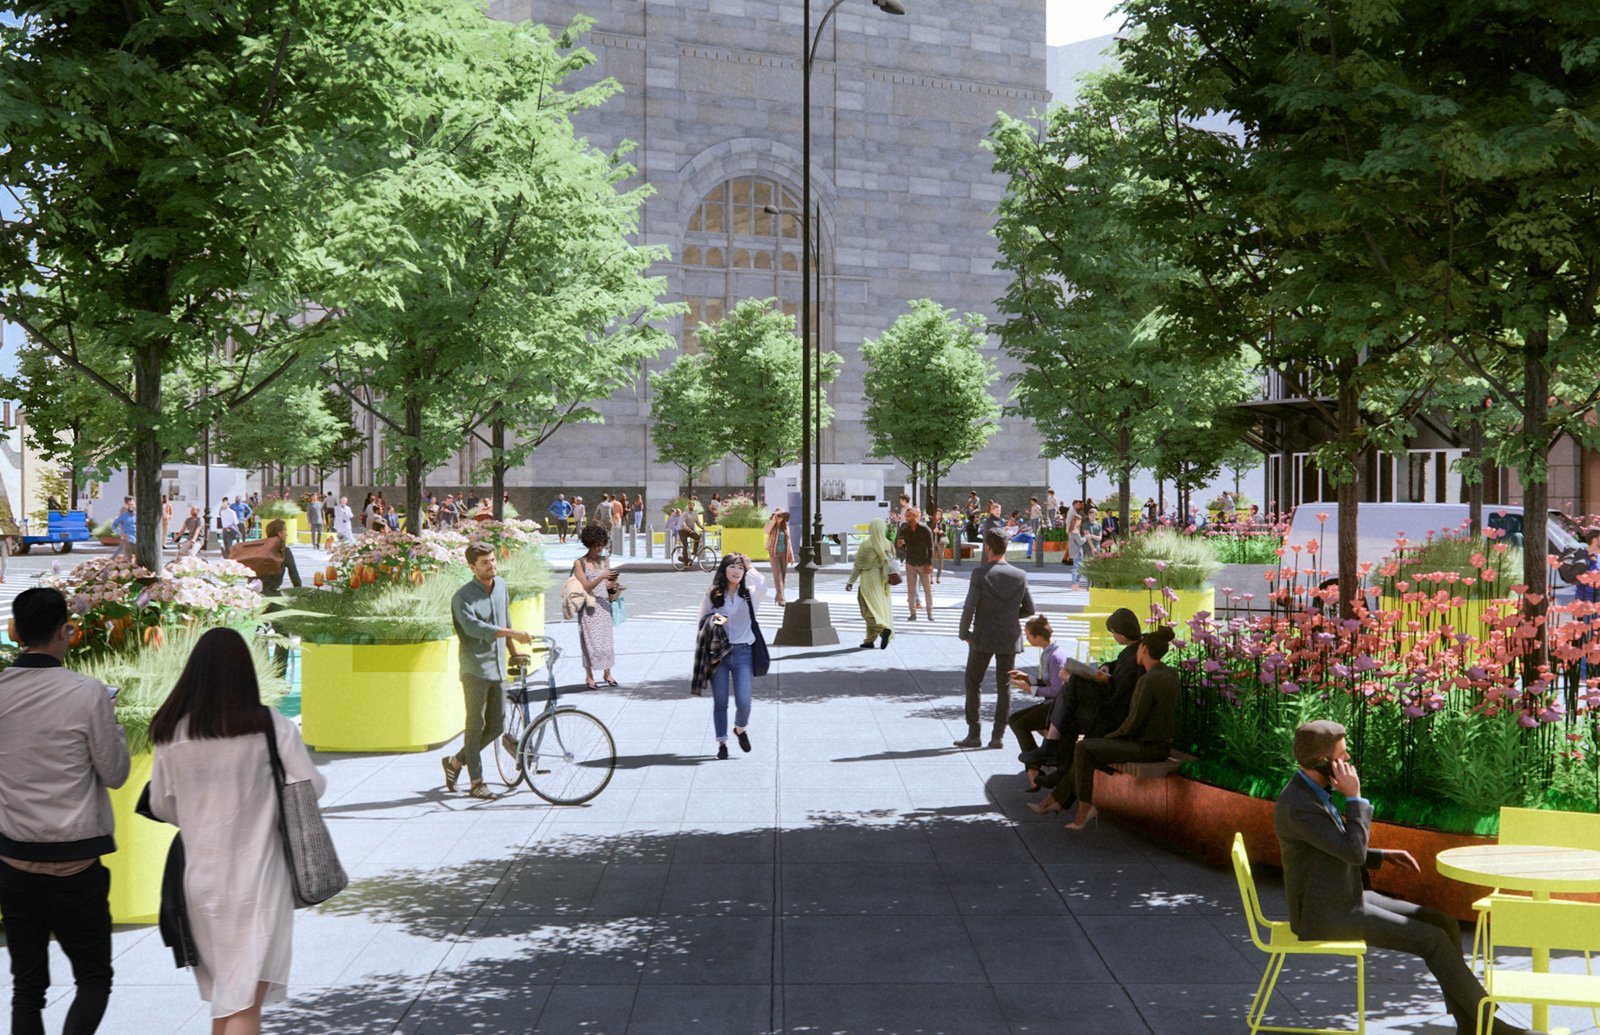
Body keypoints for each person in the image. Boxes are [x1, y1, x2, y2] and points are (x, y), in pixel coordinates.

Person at [1275, 721, 1540, 1035]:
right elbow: (1352, 853)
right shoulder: (1298, 806)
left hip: (1345, 896)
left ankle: (1470, 1024)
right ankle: (1490, 1026)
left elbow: (1332, 847)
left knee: (1445, 924)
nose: (1350, 765)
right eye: (1344, 758)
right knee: (1432, 940)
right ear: (1323, 763)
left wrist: (1383, 855)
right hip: (1328, 914)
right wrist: (1355, 798)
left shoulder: (1312, 791)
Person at [145, 628, 322, 1034]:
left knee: (230, 998)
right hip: (260, 878)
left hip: (201, 883)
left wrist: (199, 814)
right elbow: (310, 786)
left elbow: (160, 805)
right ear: (246, 671)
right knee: (244, 1002)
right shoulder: (267, 726)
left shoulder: (172, 732)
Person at [0, 587, 130, 1035]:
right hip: (76, 863)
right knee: (93, 978)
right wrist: (111, 722)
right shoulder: (88, 693)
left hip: (13, 859)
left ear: (16, 633)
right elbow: (114, 774)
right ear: (66, 631)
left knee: (26, 988)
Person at [1058, 627, 1180, 830]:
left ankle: (1084, 807)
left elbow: (1134, 721)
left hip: (1147, 747)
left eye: (1139, 648)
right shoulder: (1170, 673)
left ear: (1143, 649)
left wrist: (1111, 737)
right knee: (1090, 747)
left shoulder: (1147, 681)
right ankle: (1071, 802)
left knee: (1084, 748)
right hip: (1159, 744)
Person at [442, 544, 533, 801]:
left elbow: (506, 621)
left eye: (492, 560)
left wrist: (514, 652)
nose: (491, 565)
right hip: (475, 670)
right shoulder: (462, 598)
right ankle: (477, 782)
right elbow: (477, 629)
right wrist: (512, 634)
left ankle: (455, 762)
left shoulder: (501, 585)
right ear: (472, 567)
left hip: (498, 668)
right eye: (484, 563)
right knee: (475, 726)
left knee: (496, 727)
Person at [1025, 608, 1144, 800]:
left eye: (1113, 633)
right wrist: (1108, 667)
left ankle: (1053, 750)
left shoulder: (1134, 658)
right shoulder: (1134, 649)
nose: (1113, 637)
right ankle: (1059, 763)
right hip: (1110, 705)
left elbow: (1112, 694)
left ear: (1121, 634)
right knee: (1069, 711)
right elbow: (1120, 667)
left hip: (1112, 714)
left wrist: (1084, 678)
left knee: (1071, 689)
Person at [955, 530, 1034, 748]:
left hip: (982, 636)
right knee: (1004, 686)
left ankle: (974, 733)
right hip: (1009, 637)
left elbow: (969, 606)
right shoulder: (1019, 575)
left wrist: (964, 633)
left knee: (973, 683)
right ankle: (998, 735)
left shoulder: (980, 574)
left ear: (988, 547)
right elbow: (1029, 608)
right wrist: (1010, 616)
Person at [696, 553, 767, 759]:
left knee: (744, 702)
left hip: (744, 652)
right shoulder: (714, 593)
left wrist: (750, 565)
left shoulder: (750, 594)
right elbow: (702, 620)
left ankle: (740, 728)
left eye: (740, 568)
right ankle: (722, 743)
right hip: (719, 653)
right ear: (724, 570)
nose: (736, 571)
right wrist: (716, 619)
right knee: (720, 702)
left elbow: (763, 585)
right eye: (732, 567)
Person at [1005, 615, 1066, 790]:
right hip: (1052, 704)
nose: (1027, 639)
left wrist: (1029, 688)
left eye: (1028, 635)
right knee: (1015, 721)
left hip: (1056, 707)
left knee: (1020, 723)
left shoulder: (1055, 656)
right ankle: (1033, 766)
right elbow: (1048, 682)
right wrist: (1028, 678)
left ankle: (1034, 765)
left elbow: (1056, 690)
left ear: (1038, 637)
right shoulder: (1050, 652)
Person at [571, 525, 619, 690]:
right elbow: (586, 586)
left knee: (606, 641)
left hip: (604, 605)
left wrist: (614, 586)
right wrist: (601, 576)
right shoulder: (580, 563)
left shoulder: (605, 560)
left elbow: (607, 584)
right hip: (589, 607)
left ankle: (607, 673)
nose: (599, 549)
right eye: (596, 545)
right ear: (589, 544)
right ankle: (589, 676)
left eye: (601, 545)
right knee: (589, 642)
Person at [846, 517, 898, 650]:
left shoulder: (867, 545)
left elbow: (858, 566)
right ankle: (869, 640)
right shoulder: (888, 544)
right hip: (883, 582)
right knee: (877, 608)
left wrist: (851, 581)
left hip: (869, 580)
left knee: (866, 609)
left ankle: (882, 629)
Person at [896, 507, 935, 620]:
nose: (907, 518)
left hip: (923, 562)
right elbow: (902, 547)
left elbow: (930, 547)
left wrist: (929, 563)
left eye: (909, 515)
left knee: (927, 589)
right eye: (906, 516)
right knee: (911, 589)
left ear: (916, 516)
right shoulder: (905, 530)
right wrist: (901, 545)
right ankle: (912, 613)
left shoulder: (925, 529)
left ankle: (930, 612)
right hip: (911, 562)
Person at [257, 519, 302, 595]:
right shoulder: (284, 551)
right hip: (273, 594)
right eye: (285, 531)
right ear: (280, 533)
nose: (286, 534)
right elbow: (294, 575)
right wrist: (299, 592)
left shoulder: (259, 548)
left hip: (255, 593)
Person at [765, 510, 795, 607]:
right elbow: (766, 531)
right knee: (777, 576)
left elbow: (789, 543)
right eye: (777, 516)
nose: (778, 518)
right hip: (774, 553)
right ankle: (782, 599)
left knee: (782, 576)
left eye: (780, 516)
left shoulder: (785, 528)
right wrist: (773, 521)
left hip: (784, 554)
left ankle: (779, 597)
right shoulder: (771, 526)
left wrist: (792, 556)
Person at [111, 496, 136, 561]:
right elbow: (115, 524)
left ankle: (113, 558)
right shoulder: (123, 512)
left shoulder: (137, 515)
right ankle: (113, 559)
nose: (131, 505)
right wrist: (121, 533)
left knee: (122, 548)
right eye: (130, 502)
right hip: (126, 536)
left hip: (135, 539)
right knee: (127, 553)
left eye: (133, 503)